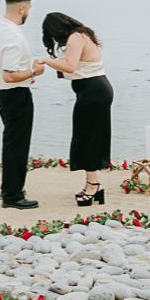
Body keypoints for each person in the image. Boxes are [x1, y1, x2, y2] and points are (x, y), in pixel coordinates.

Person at [39, 13, 114, 207]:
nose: (55, 40)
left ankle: (94, 185)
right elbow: (72, 70)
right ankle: (93, 184)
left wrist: (46, 60)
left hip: (93, 93)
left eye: (52, 36)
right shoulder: (81, 35)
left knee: (87, 139)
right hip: (95, 91)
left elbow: (70, 67)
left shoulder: (75, 37)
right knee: (88, 138)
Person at [0, 0, 46, 210]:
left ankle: (9, 189)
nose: (29, 12)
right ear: (22, 7)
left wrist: (23, 74)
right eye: (29, 8)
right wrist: (33, 72)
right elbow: (9, 75)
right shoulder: (12, 34)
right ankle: (12, 195)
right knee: (17, 145)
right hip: (14, 94)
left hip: (0, 91)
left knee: (12, 142)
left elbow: (4, 68)